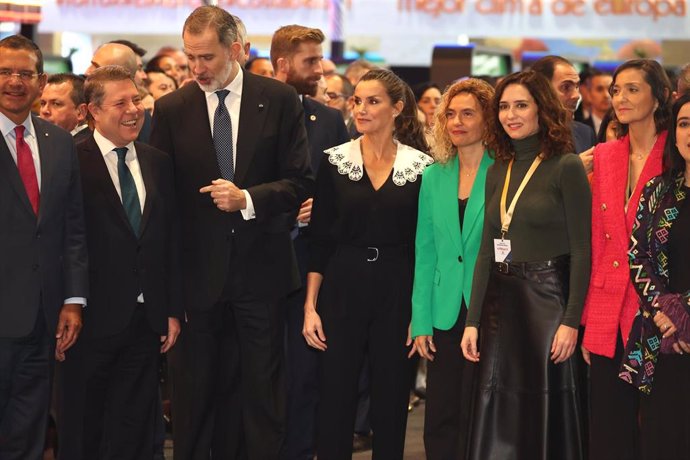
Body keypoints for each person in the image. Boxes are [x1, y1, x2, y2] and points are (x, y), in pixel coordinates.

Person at [149, 7, 312, 458]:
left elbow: (300, 180)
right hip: (197, 281)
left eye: (206, 57)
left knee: (262, 395)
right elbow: (162, 204)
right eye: (190, 58)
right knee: (195, 397)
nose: (196, 69)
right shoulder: (171, 108)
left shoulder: (278, 99)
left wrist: (248, 199)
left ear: (235, 49)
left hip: (261, 275)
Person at [460, 70, 591, 460]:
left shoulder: (566, 166)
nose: (510, 115)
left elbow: (583, 250)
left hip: (548, 302)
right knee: (498, 409)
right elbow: (487, 250)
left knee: (544, 410)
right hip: (502, 304)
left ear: (542, 110)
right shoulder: (497, 168)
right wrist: (472, 320)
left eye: (521, 105)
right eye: (503, 106)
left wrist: (570, 320)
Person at [303, 68, 432, 459]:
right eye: (357, 100)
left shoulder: (422, 167)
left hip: (398, 288)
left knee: (392, 398)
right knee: (335, 397)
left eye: (372, 101)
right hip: (342, 286)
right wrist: (310, 306)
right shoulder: (334, 161)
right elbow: (320, 239)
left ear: (397, 108)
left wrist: (419, 310)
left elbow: (425, 246)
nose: (360, 108)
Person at [57, 65, 182, 460]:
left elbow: (168, 242)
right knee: (83, 428)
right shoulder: (70, 159)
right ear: (93, 111)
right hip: (89, 319)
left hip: (145, 322)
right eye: (121, 103)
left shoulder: (157, 161)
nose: (133, 110)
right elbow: (62, 240)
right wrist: (69, 301)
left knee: (133, 430)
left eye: (137, 100)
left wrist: (171, 310)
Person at [0, 34, 88, 460]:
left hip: (44, 316)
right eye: (5, 72)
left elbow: (72, 227)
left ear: (39, 83)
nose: (15, 81)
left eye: (25, 73)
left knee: (29, 428)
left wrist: (72, 300)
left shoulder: (59, 142)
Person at [581, 59, 673, 460]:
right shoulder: (605, 155)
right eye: (616, 89)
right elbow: (596, 244)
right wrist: (587, 318)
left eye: (633, 89)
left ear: (659, 97)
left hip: (657, 312)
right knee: (607, 428)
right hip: (606, 308)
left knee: (657, 428)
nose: (620, 97)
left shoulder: (676, 153)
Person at [270, 23, 350, 460]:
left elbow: (345, 190)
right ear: (283, 64)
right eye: (310, 61)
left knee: (305, 372)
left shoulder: (330, 119)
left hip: (311, 265)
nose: (320, 69)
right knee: (261, 371)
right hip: (258, 262)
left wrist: (324, 205)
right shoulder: (250, 112)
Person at [411, 78, 494, 459]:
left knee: (483, 411)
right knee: (441, 412)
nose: (456, 122)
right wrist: (421, 320)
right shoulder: (433, 175)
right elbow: (425, 252)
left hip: (491, 309)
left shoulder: (505, 172)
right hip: (444, 310)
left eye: (467, 113)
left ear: (487, 120)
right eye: (450, 114)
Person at [530, 55, 596, 155]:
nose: (577, 95)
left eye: (577, 86)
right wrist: (574, 168)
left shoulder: (585, 133)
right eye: (566, 87)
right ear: (541, 90)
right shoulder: (524, 136)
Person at [39, 73, 88, 138]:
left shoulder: (86, 146)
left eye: (56, 104)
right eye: (43, 103)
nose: (45, 111)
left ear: (80, 112)